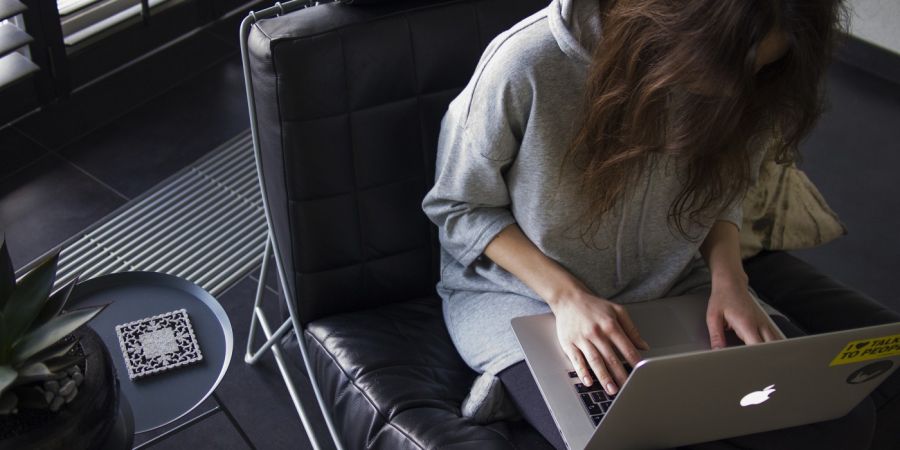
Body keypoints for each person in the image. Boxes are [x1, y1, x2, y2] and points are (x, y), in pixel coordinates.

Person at [422, 0, 898, 448]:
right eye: (723, 68)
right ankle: (519, 378)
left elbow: (722, 192)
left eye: (757, 70)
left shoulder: (753, 82)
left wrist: (730, 280)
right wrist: (568, 298)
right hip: (524, 296)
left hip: (673, 284)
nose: (736, 91)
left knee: (840, 423)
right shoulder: (526, 62)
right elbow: (458, 207)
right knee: (622, 435)